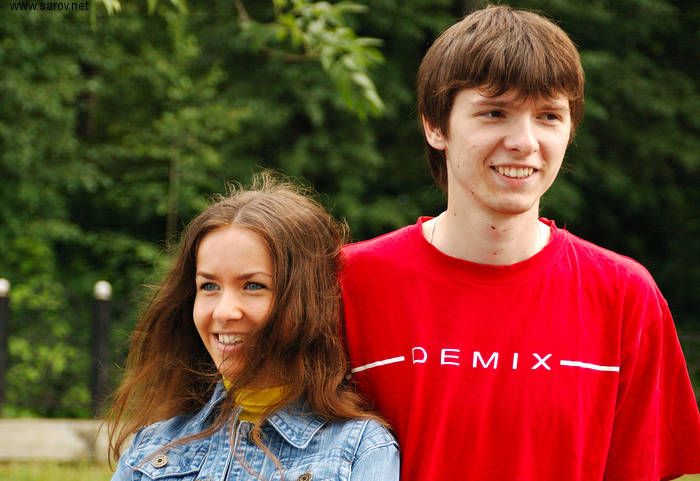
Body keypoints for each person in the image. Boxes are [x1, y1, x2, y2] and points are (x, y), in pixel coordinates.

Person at [340, 5, 700, 481]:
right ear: (435, 126)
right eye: (495, 112)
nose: (525, 142)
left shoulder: (624, 296)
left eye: (549, 116)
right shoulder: (346, 283)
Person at [107, 174, 399, 481]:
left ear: (309, 301)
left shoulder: (360, 450)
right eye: (209, 286)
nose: (224, 311)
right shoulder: (151, 447)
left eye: (253, 285)